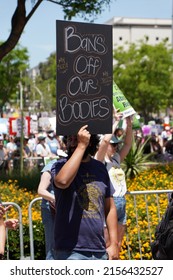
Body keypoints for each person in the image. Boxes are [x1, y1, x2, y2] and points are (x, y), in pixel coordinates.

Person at [51, 125, 119, 260]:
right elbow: (63, 181)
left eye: (76, 139)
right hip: (70, 251)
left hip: (98, 251)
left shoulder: (99, 168)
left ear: (91, 141)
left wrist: (114, 243)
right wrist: (81, 146)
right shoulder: (59, 165)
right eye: (70, 139)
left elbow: (110, 207)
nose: (72, 143)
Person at [95, 111, 133, 251]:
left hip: (121, 201)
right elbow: (105, 141)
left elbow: (128, 144)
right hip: (109, 202)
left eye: (116, 145)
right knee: (107, 245)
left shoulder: (115, 158)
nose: (115, 147)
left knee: (117, 246)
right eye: (113, 144)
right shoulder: (99, 160)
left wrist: (129, 124)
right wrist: (115, 121)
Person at [37, 159, 57, 260]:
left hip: (64, 211)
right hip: (51, 210)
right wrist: (56, 199)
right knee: (52, 247)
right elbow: (41, 190)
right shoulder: (51, 166)